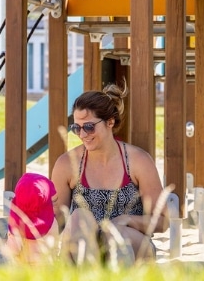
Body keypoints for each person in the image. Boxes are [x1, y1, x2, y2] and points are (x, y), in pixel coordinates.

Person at [52, 82, 168, 263]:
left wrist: (126, 220)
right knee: (78, 218)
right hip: (83, 246)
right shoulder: (67, 164)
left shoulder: (138, 161)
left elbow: (162, 221)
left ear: (110, 122)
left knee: (115, 234)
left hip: (130, 244)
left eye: (89, 127)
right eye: (76, 128)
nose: (82, 134)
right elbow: (57, 221)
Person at [5, 172, 59, 263]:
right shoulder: (52, 223)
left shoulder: (17, 227)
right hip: (46, 270)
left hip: (24, 273)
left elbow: (12, 251)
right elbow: (55, 249)